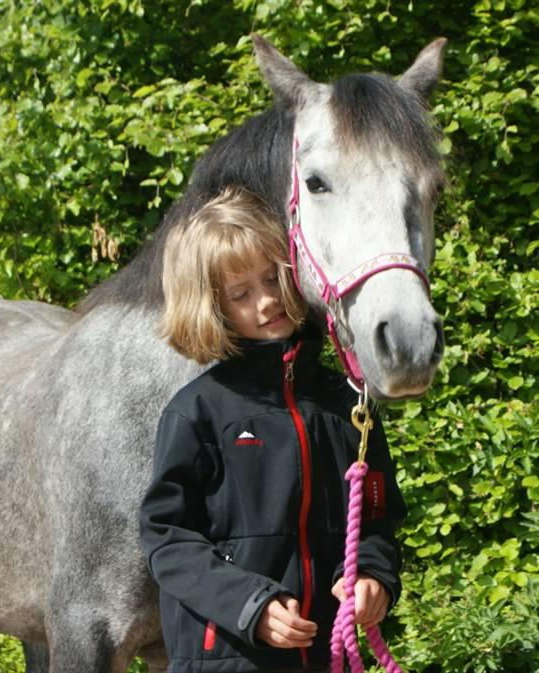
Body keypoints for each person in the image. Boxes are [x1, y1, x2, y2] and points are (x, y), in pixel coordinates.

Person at [139, 186, 407, 673]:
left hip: (327, 657)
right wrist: (251, 605)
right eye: (241, 294)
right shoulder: (196, 411)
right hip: (227, 659)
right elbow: (167, 536)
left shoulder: (347, 402)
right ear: (213, 307)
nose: (266, 302)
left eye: (272, 278)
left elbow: (376, 515)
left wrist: (372, 574)